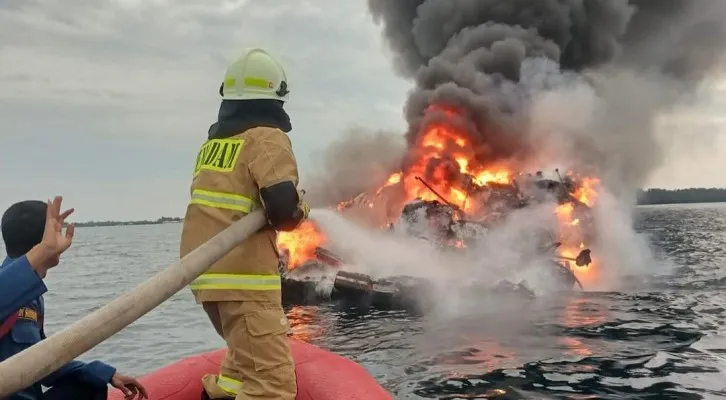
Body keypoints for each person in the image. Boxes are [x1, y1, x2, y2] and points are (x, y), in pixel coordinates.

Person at [180, 48, 308, 400]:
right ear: (276, 98)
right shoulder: (266, 137)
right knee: (272, 386)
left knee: (241, 366)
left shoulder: (214, 145)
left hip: (208, 278)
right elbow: (284, 209)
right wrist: (301, 210)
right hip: (245, 281)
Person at [0, 197, 148, 400]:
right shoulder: (10, 289)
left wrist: (105, 373)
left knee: (90, 381)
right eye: (55, 232)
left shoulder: (33, 298)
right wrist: (44, 251)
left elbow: (45, 364)